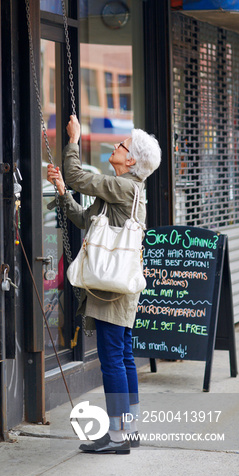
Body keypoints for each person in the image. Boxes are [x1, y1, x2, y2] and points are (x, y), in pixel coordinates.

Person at [47, 115, 161, 455]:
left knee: (112, 358)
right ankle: (129, 428)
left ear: (131, 160)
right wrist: (62, 194)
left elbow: (76, 174)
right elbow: (85, 220)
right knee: (124, 355)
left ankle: (116, 436)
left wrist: (73, 140)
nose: (116, 145)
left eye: (122, 145)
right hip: (123, 285)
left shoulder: (124, 186)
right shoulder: (124, 189)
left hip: (113, 287)